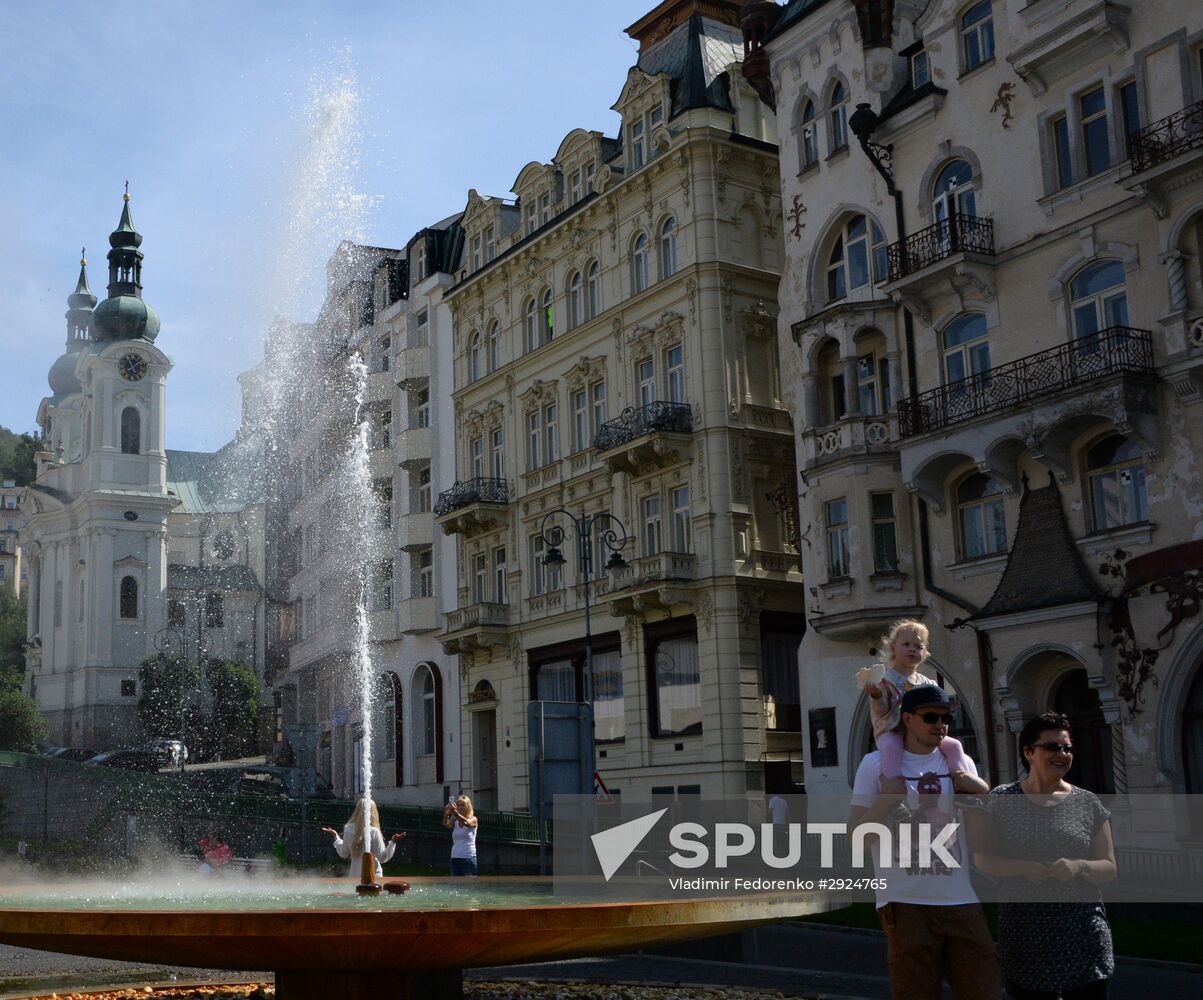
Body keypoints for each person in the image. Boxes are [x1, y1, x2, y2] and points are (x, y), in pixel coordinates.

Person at [849, 685, 1000, 999]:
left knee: (984, 990)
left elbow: (980, 843)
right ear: (907, 718)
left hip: (960, 899)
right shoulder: (876, 766)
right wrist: (886, 802)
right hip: (905, 903)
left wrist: (982, 798)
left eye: (946, 717)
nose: (940, 724)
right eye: (931, 716)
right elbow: (857, 840)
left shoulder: (961, 766)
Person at [973, 712, 1116, 999]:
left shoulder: (1088, 803)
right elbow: (983, 858)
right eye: (1052, 747)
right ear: (1028, 752)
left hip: (1083, 939)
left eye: (1067, 748)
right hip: (1025, 940)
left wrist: (1080, 866)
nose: (1062, 754)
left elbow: (1109, 867)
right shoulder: (1001, 800)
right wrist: (1021, 868)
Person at [855, 619, 971, 795]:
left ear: (925, 653)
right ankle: (892, 789)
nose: (912, 649)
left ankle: (962, 784)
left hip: (919, 732)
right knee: (892, 748)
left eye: (918, 646)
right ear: (893, 648)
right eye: (907, 644)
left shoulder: (927, 682)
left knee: (954, 745)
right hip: (892, 729)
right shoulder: (886, 680)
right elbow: (880, 708)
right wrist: (875, 693)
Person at [321, 800, 405, 879]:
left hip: (354, 877)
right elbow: (382, 858)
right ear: (373, 812)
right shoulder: (374, 832)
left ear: (357, 811)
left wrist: (336, 838)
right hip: (374, 877)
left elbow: (343, 854)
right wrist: (393, 842)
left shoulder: (348, 829)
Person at [442, 793, 478, 876]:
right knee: (455, 885)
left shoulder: (473, 819)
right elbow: (446, 825)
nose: (460, 807)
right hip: (455, 857)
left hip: (468, 857)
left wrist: (455, 812)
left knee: (469, 885)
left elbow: (466, 823)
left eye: (463, 805)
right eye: (458, 805)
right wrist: (446, 814)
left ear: (468, 806)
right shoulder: (455, 819)